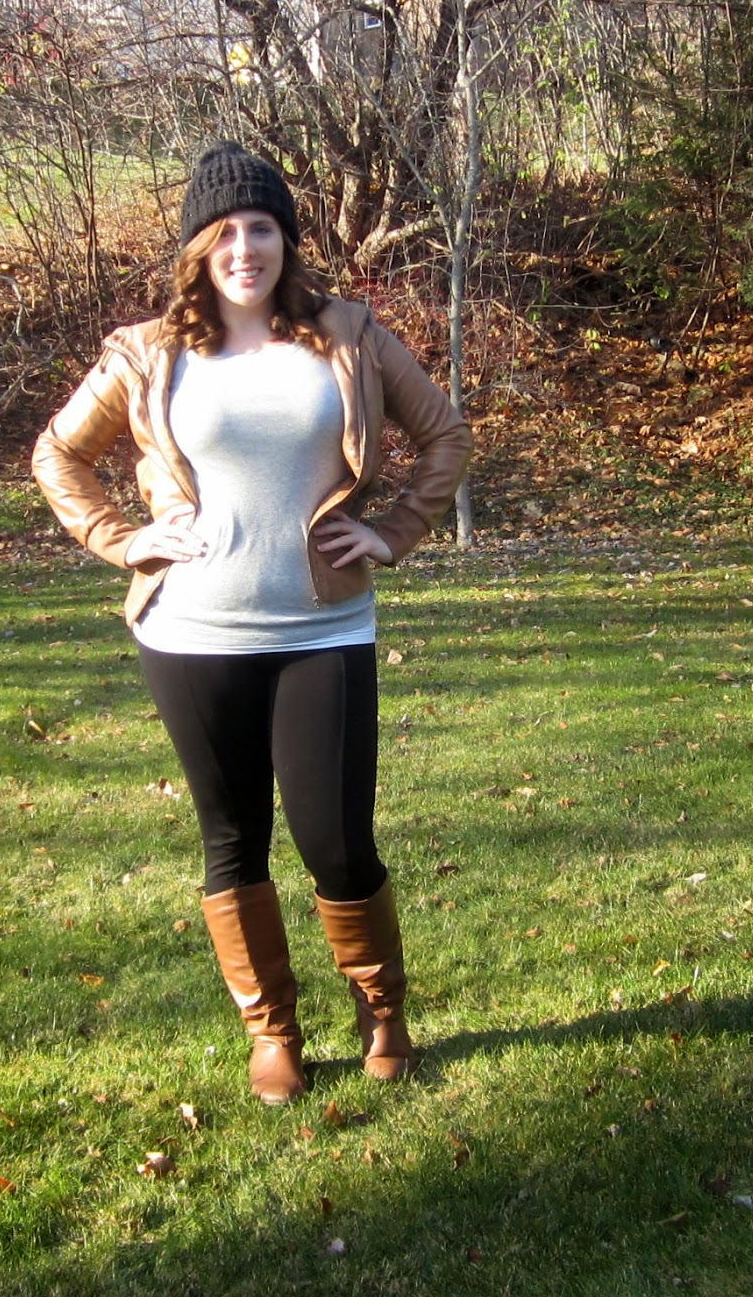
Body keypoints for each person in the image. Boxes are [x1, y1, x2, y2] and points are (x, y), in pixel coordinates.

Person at [32, 142, 471, 1104]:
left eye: (262, 228)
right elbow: (59, 454)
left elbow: (443, 432)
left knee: (337, 844)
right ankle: (272, 1031)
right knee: (232, 841)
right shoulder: (147, 352)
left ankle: (382, 1012)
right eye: (224, 231)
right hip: (190, 637)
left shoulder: (348, 334)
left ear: (286, 239)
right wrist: (122, 538)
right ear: (198, 248)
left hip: (323, 629)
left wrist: (395, 531)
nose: (245, 249)